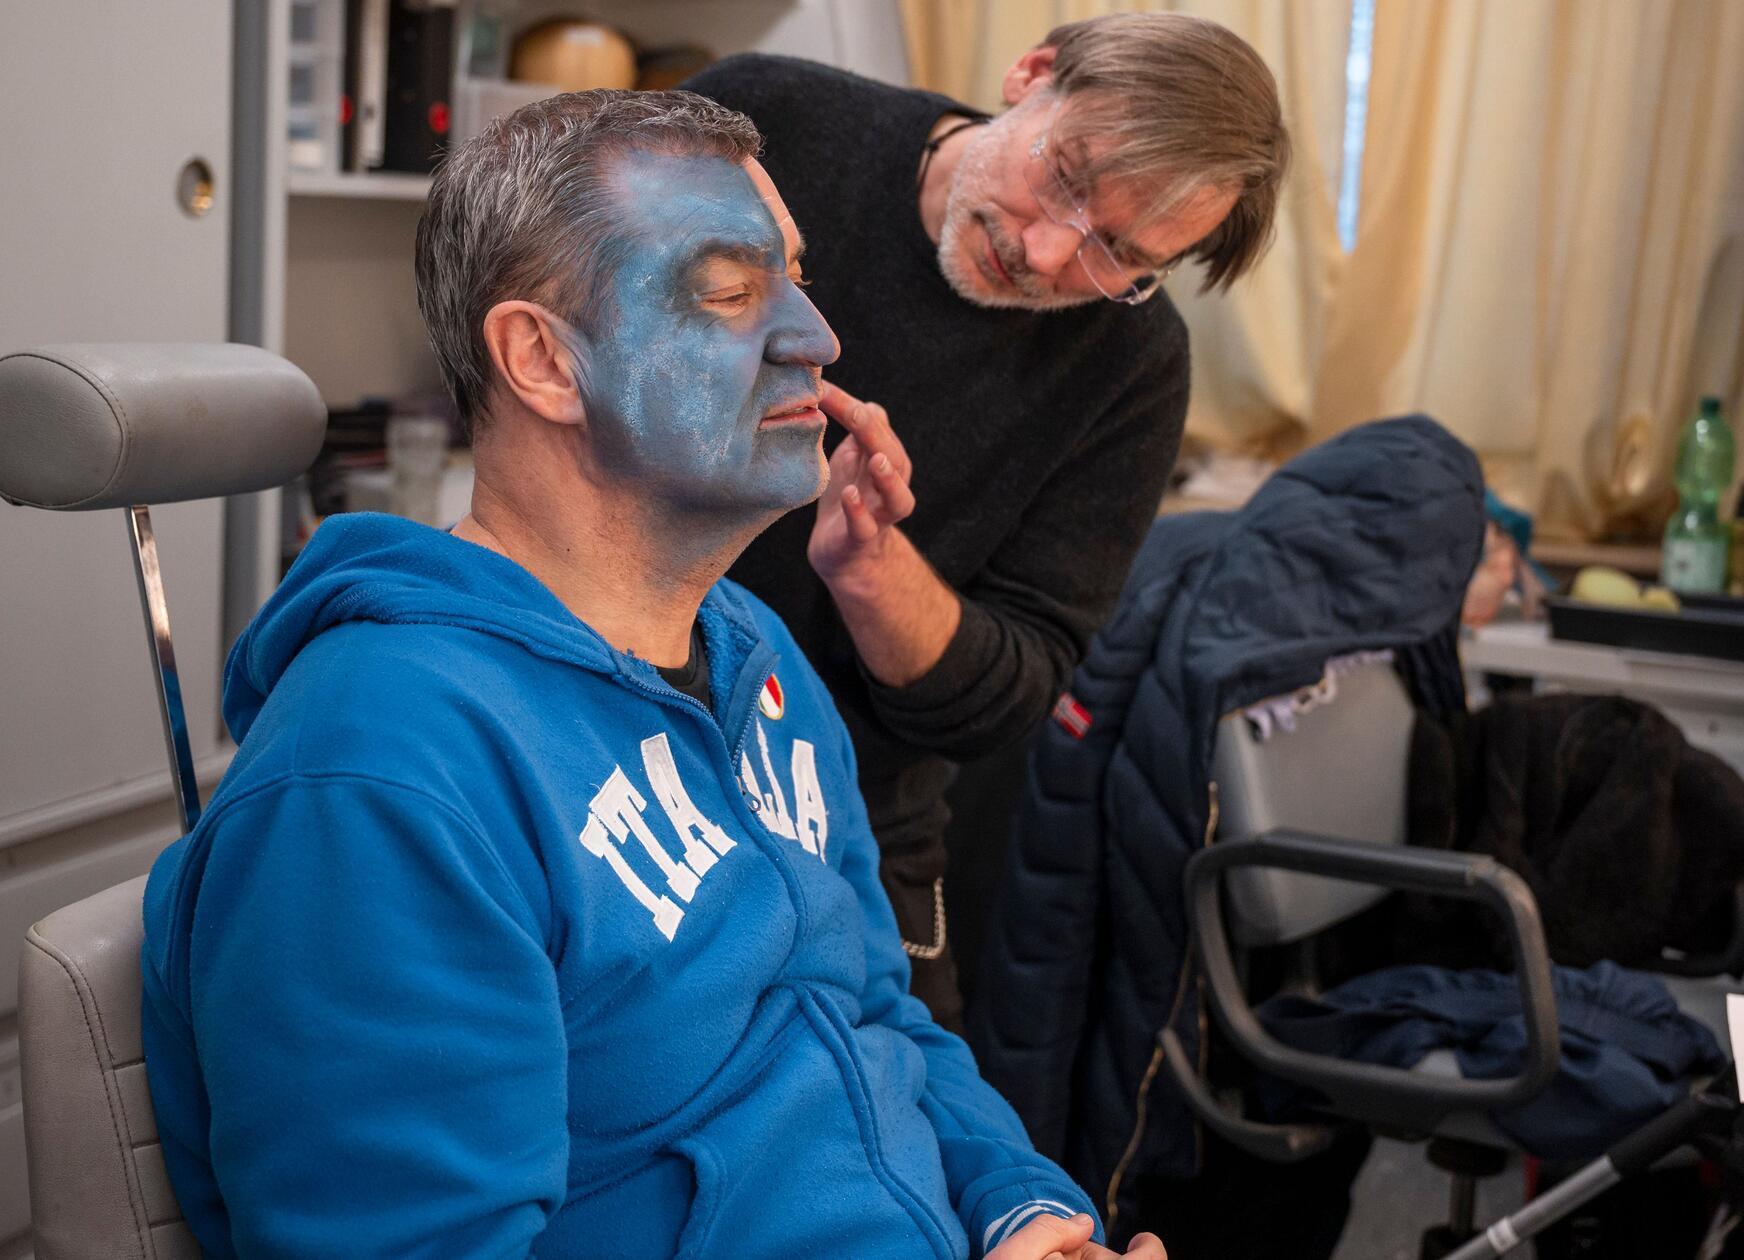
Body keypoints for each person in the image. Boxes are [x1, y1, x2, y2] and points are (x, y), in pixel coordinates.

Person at [139, 89, 1162, 1260]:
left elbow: (878, 1014)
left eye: (796, 278)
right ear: (541, 360)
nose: (817, 339)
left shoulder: (756, 659)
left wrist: (1023, 1210)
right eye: (730, 293)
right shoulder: (380, 781)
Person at [682, 14, 1290, 1025]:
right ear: (1030, 74)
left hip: (849, 815)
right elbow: (541, 283)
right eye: (1065, 178)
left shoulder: (1130, 369)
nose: (1047, 254)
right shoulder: (769, 121)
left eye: (1120, 254)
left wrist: (872, 568)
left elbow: (1006, 697)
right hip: (598, 726)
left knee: (917, 1141)